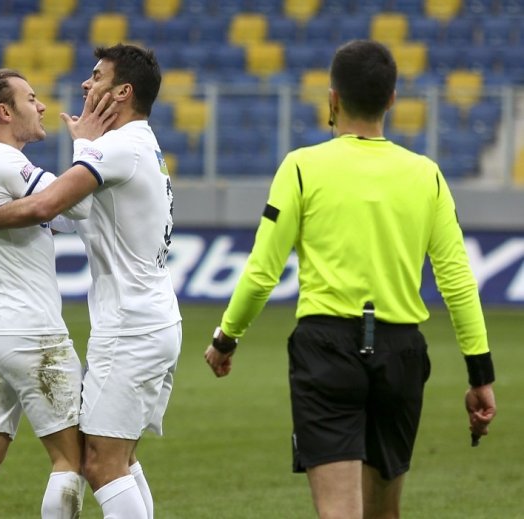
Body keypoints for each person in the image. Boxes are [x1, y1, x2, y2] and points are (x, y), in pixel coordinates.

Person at [204, 39, 497, 519]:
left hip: (327, 350)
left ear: (332, 98)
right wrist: (480, 375)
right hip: (401, 352)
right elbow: (458, 281)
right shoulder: (427, 176)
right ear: (392, 99)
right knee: (385, 514)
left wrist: (225, 339)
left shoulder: (301, 167)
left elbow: (261, 273)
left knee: (339, 512)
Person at [0, 44, 182, 519]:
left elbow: (51, 206)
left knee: (98, 461)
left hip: (128, 325)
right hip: (128, 318)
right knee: (110, 459)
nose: (84, 86)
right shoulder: (141, 145)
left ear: (122, 91)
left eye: (96, 77)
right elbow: (67, 209)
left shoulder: (116, 147)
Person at [0, 69, 115, 519]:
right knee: (72, 459)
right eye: (30, 99)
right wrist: (86, 147)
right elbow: (76, 204)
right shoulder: (4, 158)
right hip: (31, 333)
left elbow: (63, 219)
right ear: (4, 111)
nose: (40, 107)